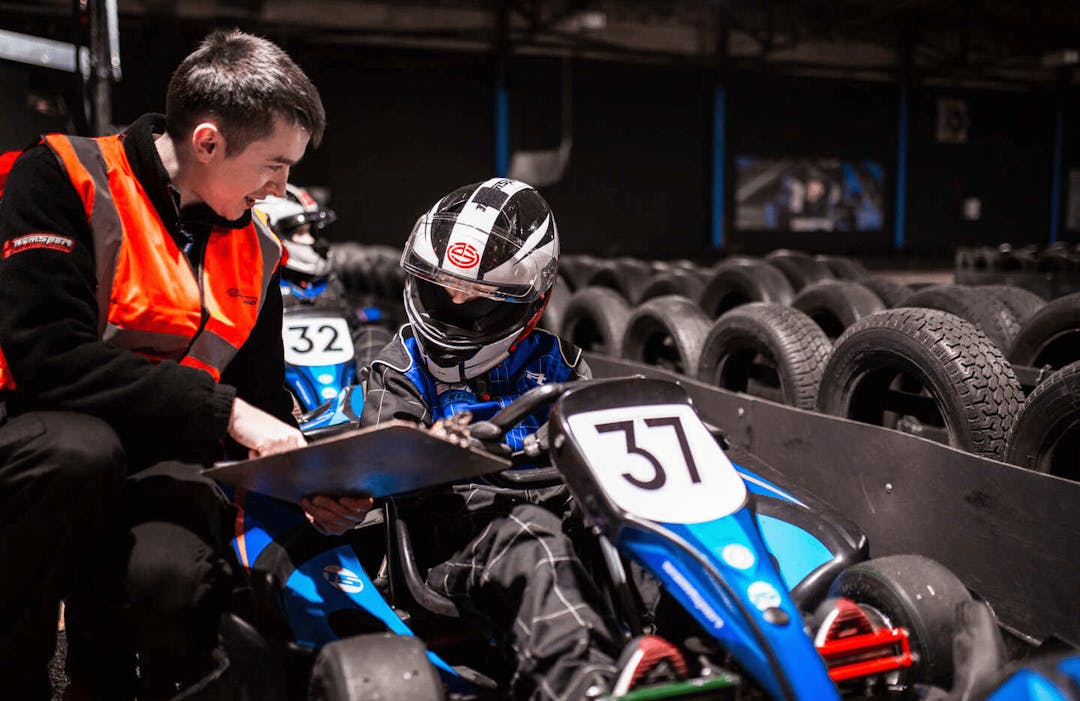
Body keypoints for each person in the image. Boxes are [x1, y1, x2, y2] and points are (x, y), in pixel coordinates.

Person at [0, 29, 369, 699]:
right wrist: (224, 411)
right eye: (274, 164)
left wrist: (308, 478)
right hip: (41, 438)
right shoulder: (60, 177)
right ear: (207, 142)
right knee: (82, 451)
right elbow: (46, 356)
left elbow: (265, 402)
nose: (283, 189)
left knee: (170, 579)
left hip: (160, 464)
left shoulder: (258, 250)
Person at [360, 178, 684, 701]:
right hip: (453, 540)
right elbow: (379, 459)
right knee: (530, 537)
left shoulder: (560, 363)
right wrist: (431, 443)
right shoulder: (400, 364)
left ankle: (689, 647)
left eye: (477, 301)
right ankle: (586, 689)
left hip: (557, 519)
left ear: (532, 299)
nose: (455, 304)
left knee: (646, 519)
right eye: (442, 290)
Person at [256, 183, 345, 307]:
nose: (310, 240)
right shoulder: (253, 288)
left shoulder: (327, 283)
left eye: (312, 232)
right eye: (301, 232)